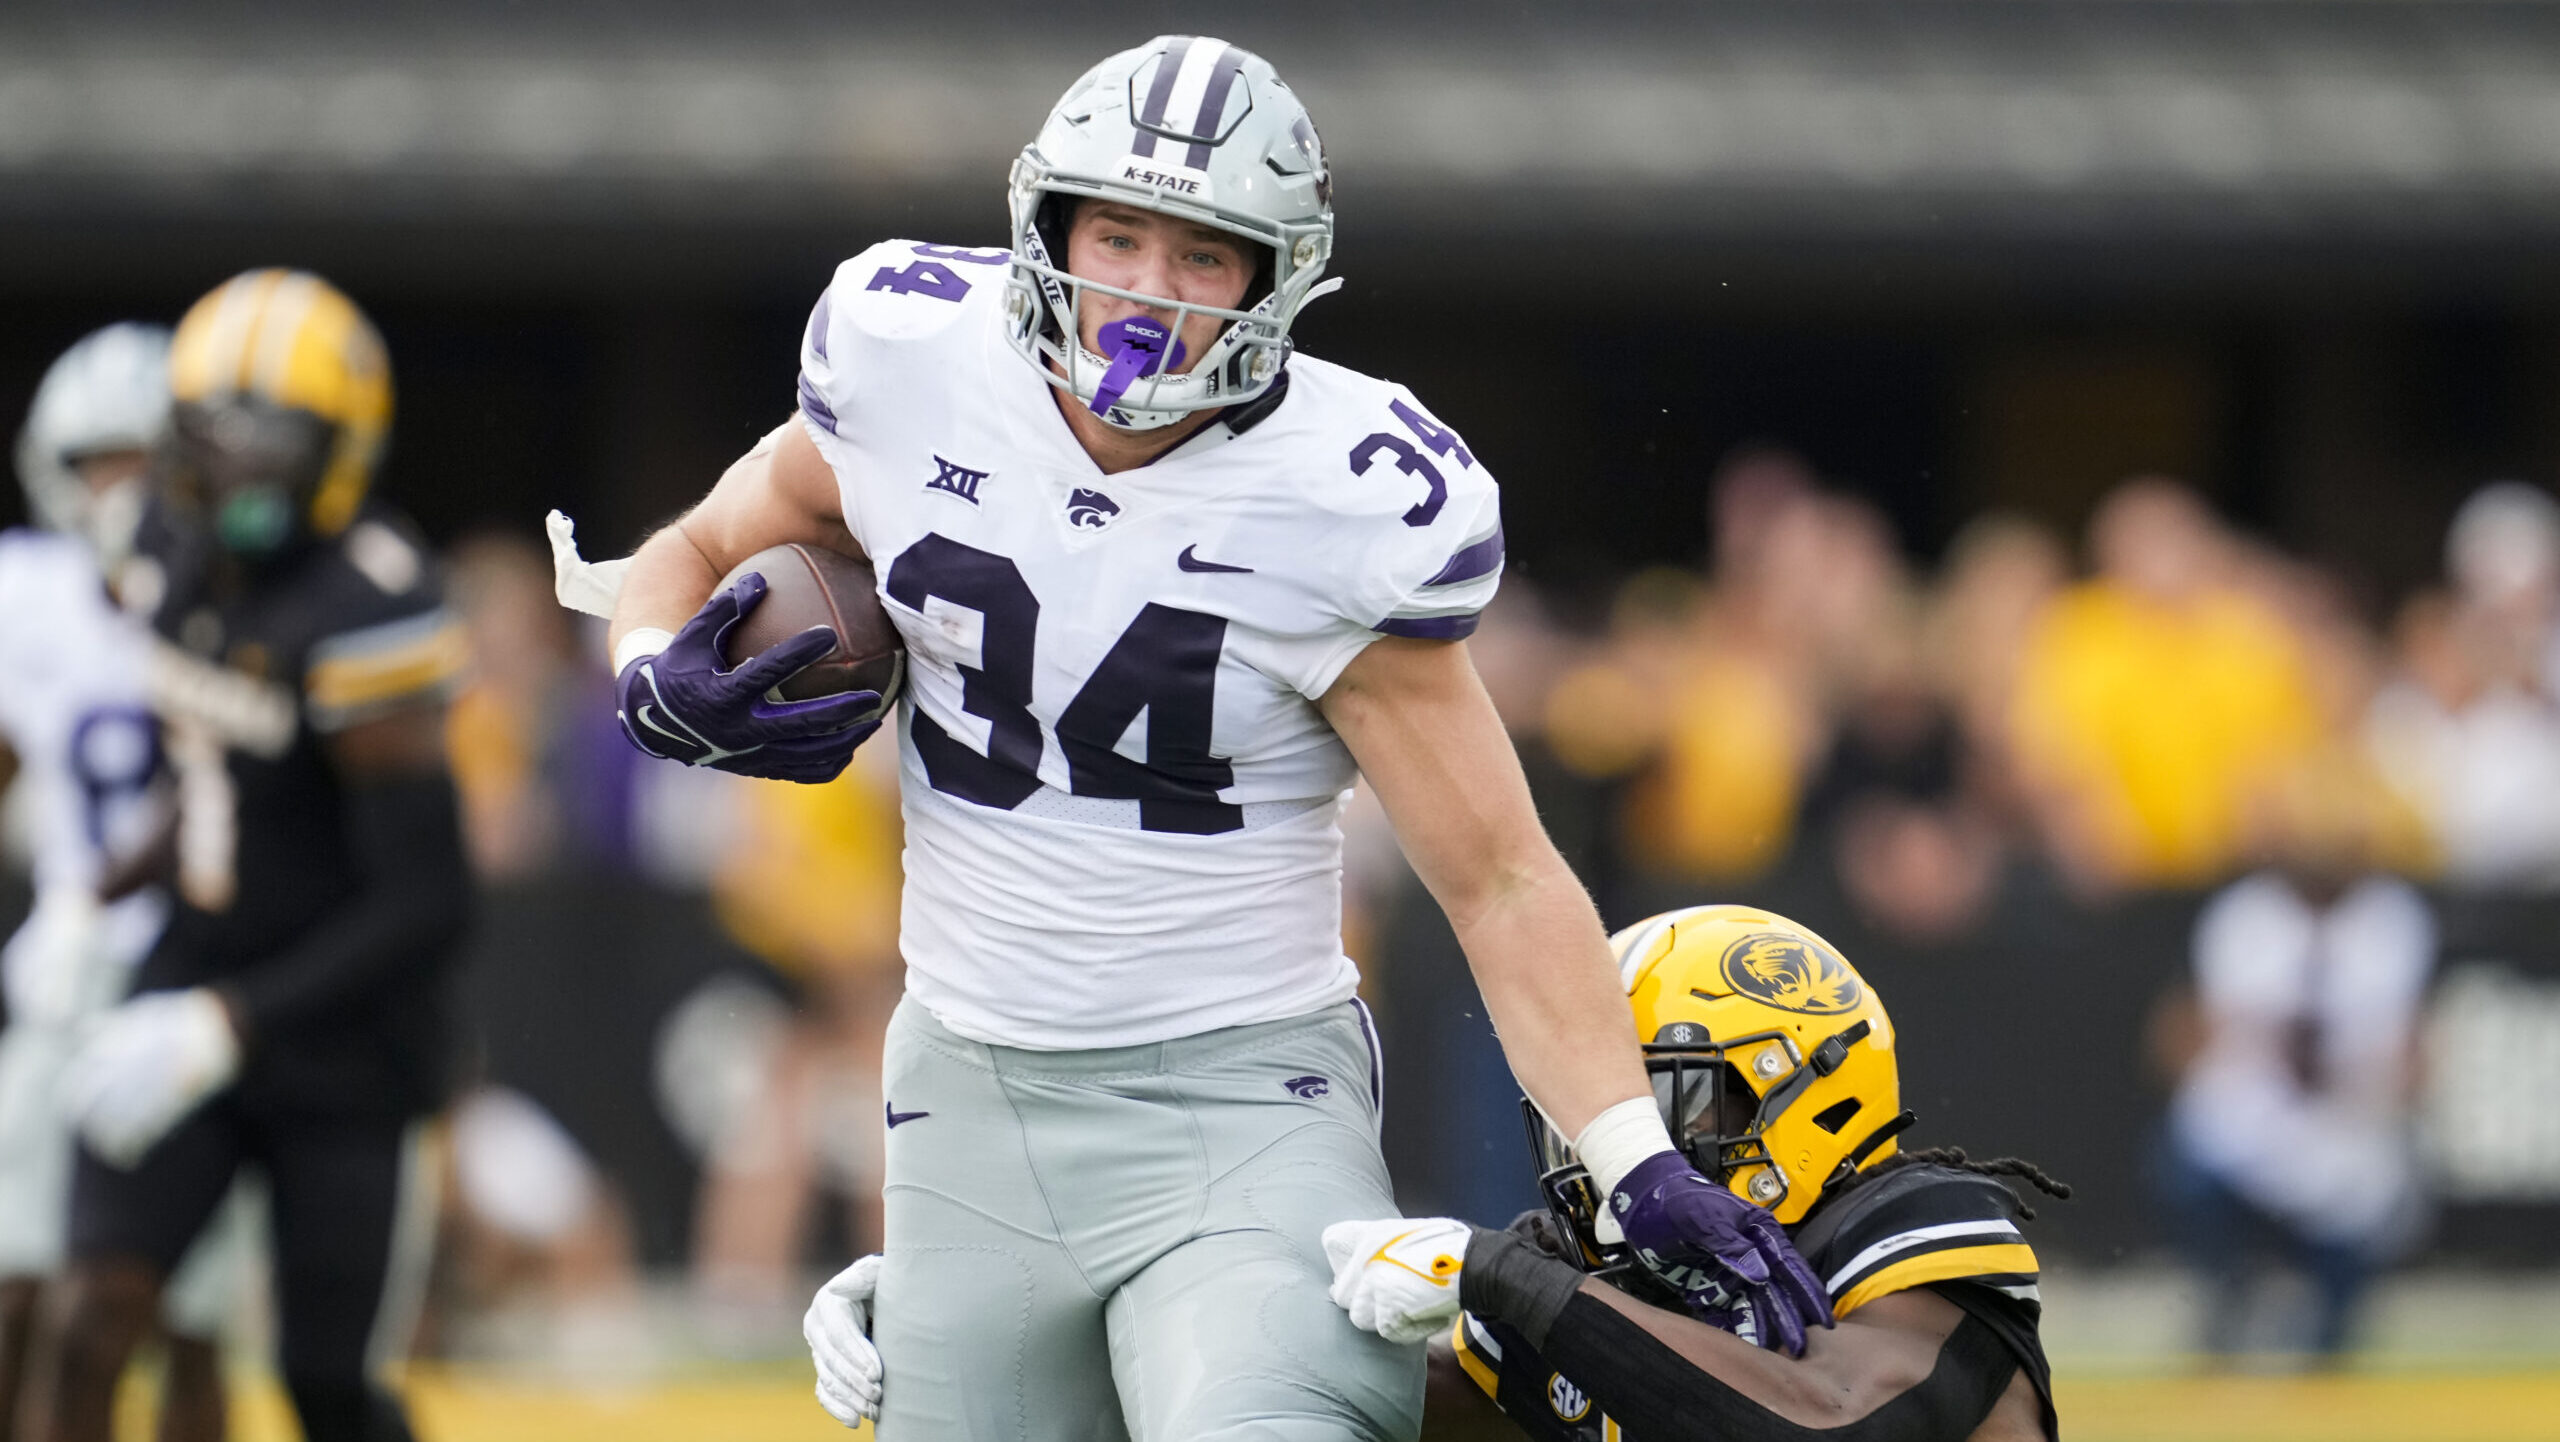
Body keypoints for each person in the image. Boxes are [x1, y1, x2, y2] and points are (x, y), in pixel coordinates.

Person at [562, 36, 1827, 1440]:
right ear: (1049, 227)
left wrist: (1631, 1154)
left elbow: (1501, 875)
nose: (1141, 293)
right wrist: (646, 671)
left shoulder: (1344, 496)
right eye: (1115, 235)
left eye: (1201, 256)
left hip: (1242, 1102)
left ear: (1278, 278)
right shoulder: (908, 356)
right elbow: (693, 548)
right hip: (967, 1106)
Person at [33, 271, 470, 1442]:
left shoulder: (367, 605)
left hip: (344, 1045)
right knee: (88, 1315)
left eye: (273, 442)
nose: (239, 470)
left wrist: (227, 1021)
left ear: (341, 449)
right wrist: (92, 896)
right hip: (191, 973)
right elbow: (213, 768)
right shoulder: (160, 551)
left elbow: (428, 899)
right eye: (215, 437)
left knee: (326, 1385)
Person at [1324, 904, 2064, 1441]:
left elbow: (1830, 1418)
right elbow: (1361, 1409)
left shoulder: (1912, 1223)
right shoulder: (1615, 1290)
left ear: (1802, 1087)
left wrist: (1518, 1282)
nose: (1615, 1145)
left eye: (1664, 1102)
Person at [0, 324, 253, 1442]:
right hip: (67, 973)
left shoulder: (236, 588)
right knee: (21, 1279)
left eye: (143, 458)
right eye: (101, 460)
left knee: (189, 1315)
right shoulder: (28, 594)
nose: (123, 488)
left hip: (193, 964)